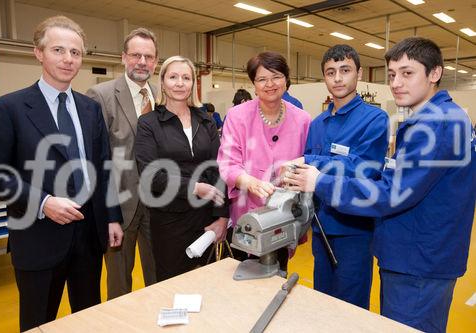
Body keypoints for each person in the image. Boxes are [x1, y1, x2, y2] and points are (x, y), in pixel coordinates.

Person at [283, 37, 475, 332]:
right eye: (392, 75)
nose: (397, 83)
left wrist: (319, 180)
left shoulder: (435, 125)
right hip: (415, 253)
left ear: (434, 73)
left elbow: (389, 193)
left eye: (408, 73)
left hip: (417, 261)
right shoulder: (437, 118)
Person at [0, 16, 123, 331]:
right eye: (58, 50)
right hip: (38, 236)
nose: (68, 59)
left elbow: (103, 165)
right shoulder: (8, 109)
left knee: (89, 319)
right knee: (38, 322)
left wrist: (112, 216)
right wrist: (43, 203)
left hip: (88, 235)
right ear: (38, 53)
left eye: (75, 52)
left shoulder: (90, 108)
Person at [285, 45, 389, 309]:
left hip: (354, 230)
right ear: (324, 77)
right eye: (331, 72)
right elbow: (309, 175)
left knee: (350, 307)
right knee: (323, 303)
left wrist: (310, 162)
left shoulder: (374, 119)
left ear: (359, 73)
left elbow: (362, 167)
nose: (338, 78)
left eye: (345, 70)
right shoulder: (317, 123)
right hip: (321, 228)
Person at [135, 56, 229, 282]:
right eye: (173, 77)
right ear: (163, 82)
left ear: (193, 84)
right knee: (172, 286)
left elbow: (219, 169)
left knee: (210, 284)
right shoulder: (149, 123)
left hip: (206, 217)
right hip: (169, 221)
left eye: (186, 78)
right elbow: (151, 175)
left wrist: (222, 216)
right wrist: (195, 187)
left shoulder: (206, 120)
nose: (179, 83)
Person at [217, 51, 311, 270]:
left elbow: (309, 163)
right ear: (254, 84)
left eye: (276, 76)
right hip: (245, 215)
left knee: (278, 274)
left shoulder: (303, 120)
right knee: (241, 279)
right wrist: (249, 182)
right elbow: (227, 163)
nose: (270, 84)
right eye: (261, 79)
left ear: (286, 80)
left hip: (284, 215)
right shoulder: (237, 116)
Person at [86, 27, 158, 299]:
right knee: (119, 284)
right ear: (123, 57)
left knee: (159, 277)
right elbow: (96, 160)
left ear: (155, 61)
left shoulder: (160, 96)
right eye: (136, 55)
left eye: (148, 57)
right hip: (120, 206)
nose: (142, 62)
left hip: (156, 204)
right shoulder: (100, 95)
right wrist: (107, 212)